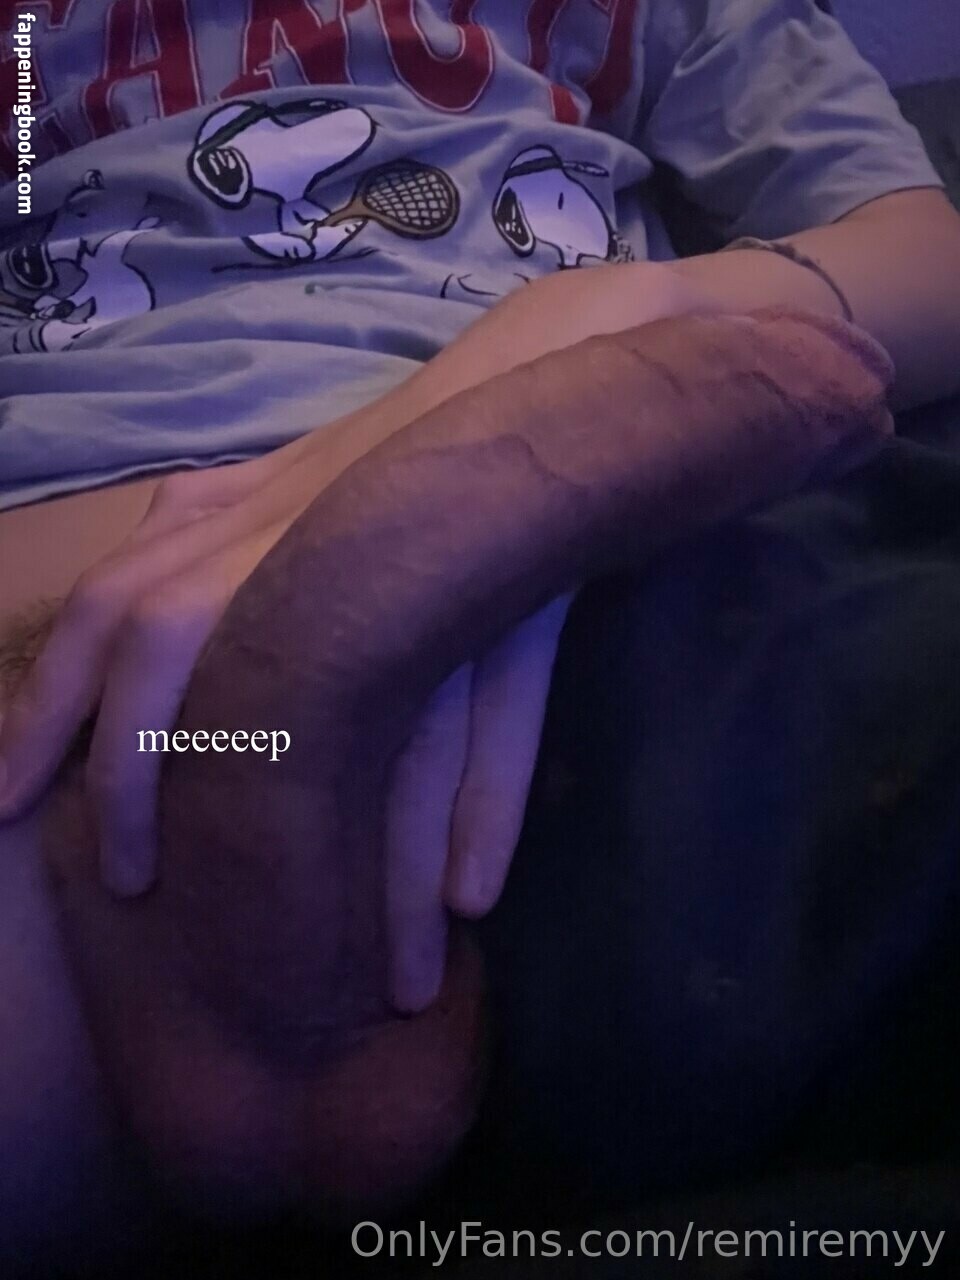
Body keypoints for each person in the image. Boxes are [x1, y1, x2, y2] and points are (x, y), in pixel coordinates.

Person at [0, 0, 959, 1264]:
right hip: (87, 533)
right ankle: (247, 871)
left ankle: (238, 885)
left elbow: (928, 254)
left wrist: (624, 308)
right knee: (100, 745)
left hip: (571, 508)